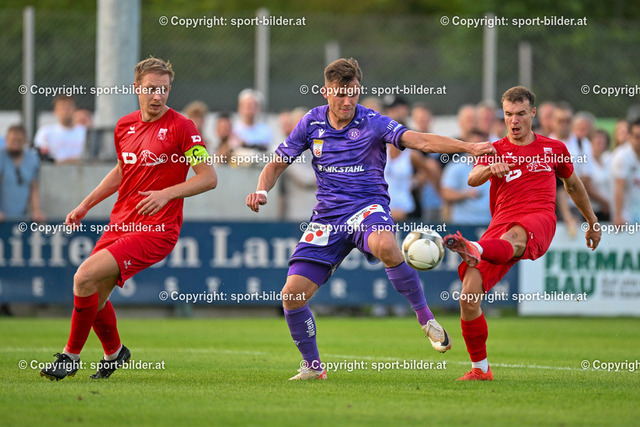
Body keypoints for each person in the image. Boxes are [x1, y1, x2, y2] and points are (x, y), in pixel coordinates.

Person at [246, 58, 494, 380]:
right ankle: (313, 367)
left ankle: (426, 319)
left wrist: (468, 146)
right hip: (328, 218)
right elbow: (278, 162)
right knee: (291, 296)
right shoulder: (311, 123)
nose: (347, 101)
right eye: (340, 94)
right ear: (325, 92)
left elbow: (420, 140)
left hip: (368, 207)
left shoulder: (373, 122)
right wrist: (261, 190)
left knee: (386, 245)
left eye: (353, 93)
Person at [40, 56, 217, 381]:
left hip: (157, 229)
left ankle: (70, 357)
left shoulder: (182, 127)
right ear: (136, 88)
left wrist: (166, 194)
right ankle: (115, 352)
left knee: (83, 277)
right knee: (93, 294)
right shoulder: (124, 126)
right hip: (121, 223)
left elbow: (208, 177)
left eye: (163, 89)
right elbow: (123, 170)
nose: (157, 96)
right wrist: (85, 204)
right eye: (150, 89)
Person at [443, 86, 601, 381]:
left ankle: (476, 248)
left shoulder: (554, 149)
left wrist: (591, 221)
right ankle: (481, 369)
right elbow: (472, 178)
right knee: (468, 297)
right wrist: (491, 169)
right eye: (508, 114)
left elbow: (573, 186)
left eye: (520, 114)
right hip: (500, 224)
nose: (514, 120)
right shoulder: (494, 149)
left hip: (539, 218)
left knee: (514, 237)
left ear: (533, 113)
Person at [440, 130, 491, 225]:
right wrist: (465, 194)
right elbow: (445, 193)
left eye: (480, 145)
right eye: (474, 145)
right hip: (463, 225)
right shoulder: (456, 166)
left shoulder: (494, 166)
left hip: (489, 224)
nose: (477, 149)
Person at [0, 124, 45, 223]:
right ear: (6, 140)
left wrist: (36, 210)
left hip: (21, 216)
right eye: (13, 140)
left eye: (19, 140)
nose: (16, 144)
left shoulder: (32, 159)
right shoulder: (1, 156)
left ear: (25, 141)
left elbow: (34, 187)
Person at [34, 95, 86, 164]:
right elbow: (41, 157)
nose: (65, 111)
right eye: (62, 107)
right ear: (55, 111)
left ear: (75, 109)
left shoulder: (85, 132)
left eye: (69, 107)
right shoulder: (45, 132)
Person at [612, 119, 640, 225]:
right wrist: (618, 216)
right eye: (636, 137)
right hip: (626, 217)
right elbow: (619, 187)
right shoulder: (622, 156)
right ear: (630, 136)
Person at [590, 129, 612, 221]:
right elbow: (587, 187)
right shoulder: (586, 161)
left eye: (603, 141)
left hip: (607, 210)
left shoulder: (608, 160)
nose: (600, 143)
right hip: (593, 210)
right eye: (597, 140)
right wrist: (605, 203)